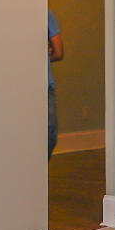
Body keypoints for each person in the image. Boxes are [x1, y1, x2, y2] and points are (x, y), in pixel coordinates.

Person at [47, 10, 65, 152]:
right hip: (43, 86)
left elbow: (58, 52)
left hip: (45, 85)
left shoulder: (46, 15)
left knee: (49, 135)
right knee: (50, 133)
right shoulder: (46, 14)